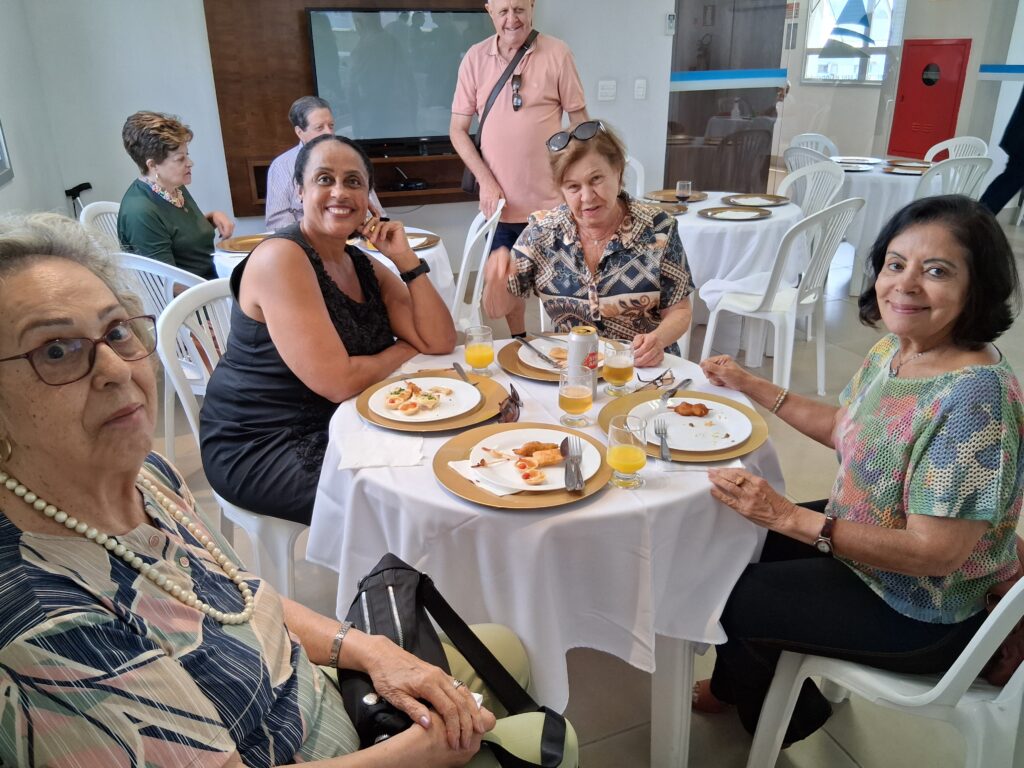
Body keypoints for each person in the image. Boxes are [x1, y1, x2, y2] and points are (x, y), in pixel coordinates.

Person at [0, 212, 577, 768]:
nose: (116, 369)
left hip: (314, 690)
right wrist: (420, 753)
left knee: (506, 648)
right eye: (56, 350)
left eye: (117, 331)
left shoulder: (147, 477)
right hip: (320, 742)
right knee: (557, 741)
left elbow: (245, 595)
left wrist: (371, 651)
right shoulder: (46, 623)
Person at [693, 195, 1024, 746]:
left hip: (921, 606)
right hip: (865, 550)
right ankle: (742, 684)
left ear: (978, 287)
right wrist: (750, 384)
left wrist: (789, 517)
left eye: (936, 271)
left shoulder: (972, 400)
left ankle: (791, 718)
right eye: (896, 264)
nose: (905, 285)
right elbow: (844, 427)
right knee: (730, 544)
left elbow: (936, 554)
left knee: (729, 595)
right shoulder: (898, 350)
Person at [201, 134, 456, 526]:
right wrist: (404, 349)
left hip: (341, 418)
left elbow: (439, 340)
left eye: (354, 182)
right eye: (324, 179)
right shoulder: (281, 258)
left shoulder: (359, 262)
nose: (340, 192)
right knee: (408, 501)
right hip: (261, 441)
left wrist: (405, 260)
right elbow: (338, 382)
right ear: (300, 191)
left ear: (368, 199)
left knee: (443, 461)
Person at [488, 120, 693, 367]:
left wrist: (657, 340)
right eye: (573, 187)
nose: (587, 197)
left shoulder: (658, 228)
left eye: (596, 179)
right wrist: (495, 282)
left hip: (642, 368)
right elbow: (496, 310)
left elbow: (680, 311)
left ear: (618, 172)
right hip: (572, 371)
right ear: (561, 189)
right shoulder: (542, 233)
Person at [450, 0, 588, 338]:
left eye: (519, 9)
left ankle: (563, 347)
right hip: (500, 207)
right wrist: (486, 181)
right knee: (508, 287)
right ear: (489, 11)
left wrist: (573, 178)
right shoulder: (474, 58)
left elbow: (580, 123)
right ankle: (518, 341)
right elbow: (457, 130)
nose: (512, 19)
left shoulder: (558, 53)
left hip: (553, 208)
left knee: (564, 288)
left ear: (532, 7)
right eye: (503, 11)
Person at [118, 111, 234, 280]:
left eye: (187, 155)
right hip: (197, 293)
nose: (190, 163)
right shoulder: (140, 212)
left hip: (211, 280)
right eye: (180, 159)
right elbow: (167, 283)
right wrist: (225, 288)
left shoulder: (173, 187)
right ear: (153, 165)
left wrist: (211, 218)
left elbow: (180, 237)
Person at [265, 96, 386, 230]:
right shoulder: (281, 165)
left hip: (355, 236)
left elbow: (377, 213)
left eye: (331, 126)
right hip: (305, 239)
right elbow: (278, 220)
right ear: (300, 132)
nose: (329, 133)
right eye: (319, 128)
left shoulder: (351, 157)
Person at [981, 88, 1024, 215]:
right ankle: (978, 219)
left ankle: (978, 218)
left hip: (1018, 140)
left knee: (1009, 181)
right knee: (1009, 182)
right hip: (1020, 142)